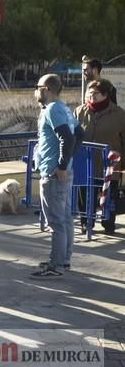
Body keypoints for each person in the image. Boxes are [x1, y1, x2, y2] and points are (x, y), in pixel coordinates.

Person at [30, 74, 78, 279]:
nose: (35, 90)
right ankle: (64, 259)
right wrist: (67, 162)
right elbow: (80, 134)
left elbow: (66, 137)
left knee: (56, 222)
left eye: (38, 87)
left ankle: (56, 265)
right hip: (64, 172)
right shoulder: (64, 108)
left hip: (53, 172)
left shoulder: (52, 109)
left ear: (46, 89)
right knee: (65, 218)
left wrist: (60, 165)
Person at [74, 79, 125, 234]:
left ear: (105, 94)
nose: (91, 96)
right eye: (89, 93)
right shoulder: (79, 111)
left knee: (110, 194)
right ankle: (85, 221)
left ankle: (108, 222)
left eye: (95, 93)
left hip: (109, 164)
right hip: (85, 161)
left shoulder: (119, 114)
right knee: (84, 193)